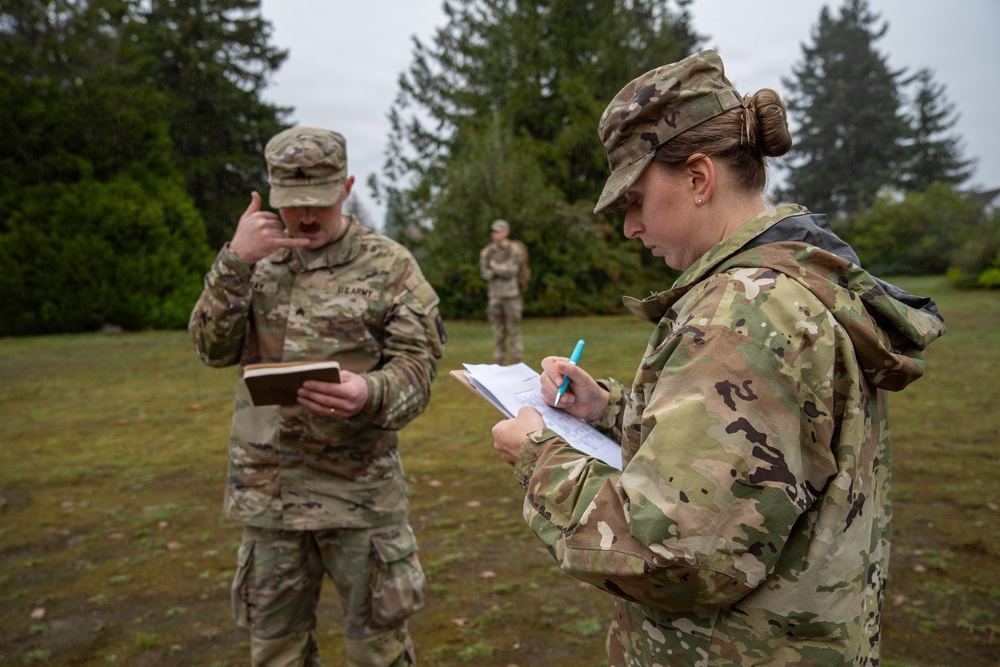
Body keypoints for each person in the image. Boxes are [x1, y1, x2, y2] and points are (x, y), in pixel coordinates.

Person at [490, 50, 946, 666]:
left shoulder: (741, 315)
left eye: (635, 200)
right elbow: (759, 458)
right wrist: (606, 410)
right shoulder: (791, 285)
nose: (630, 227)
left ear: (699, 178)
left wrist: (538, 456)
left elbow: (673, 556)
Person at [189, 126, 446, 666]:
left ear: (346, 188)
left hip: (359, 496)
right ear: (271, 194)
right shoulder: (251, 262)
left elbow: (418, 369)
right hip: (270, 497)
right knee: (276, 653)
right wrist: (234, 262)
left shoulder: (391, 265)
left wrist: (371, 391)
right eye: (292, 202)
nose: (305, 216)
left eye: (319, 201)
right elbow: (211, 349)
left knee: (379, 653)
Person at [479, 218, 528, 364]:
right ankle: (498, 359)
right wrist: (501, 268)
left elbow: (512, 271)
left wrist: (495, 267)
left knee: (513, 329)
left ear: (506, 232)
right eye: (493, 232)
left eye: (498, 231)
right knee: (498, 330)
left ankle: (516, 359)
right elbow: (484, 273)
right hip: (495, 296)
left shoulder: (514, 250)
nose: (495, 234)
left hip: (511, 295)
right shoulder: (488, 251)